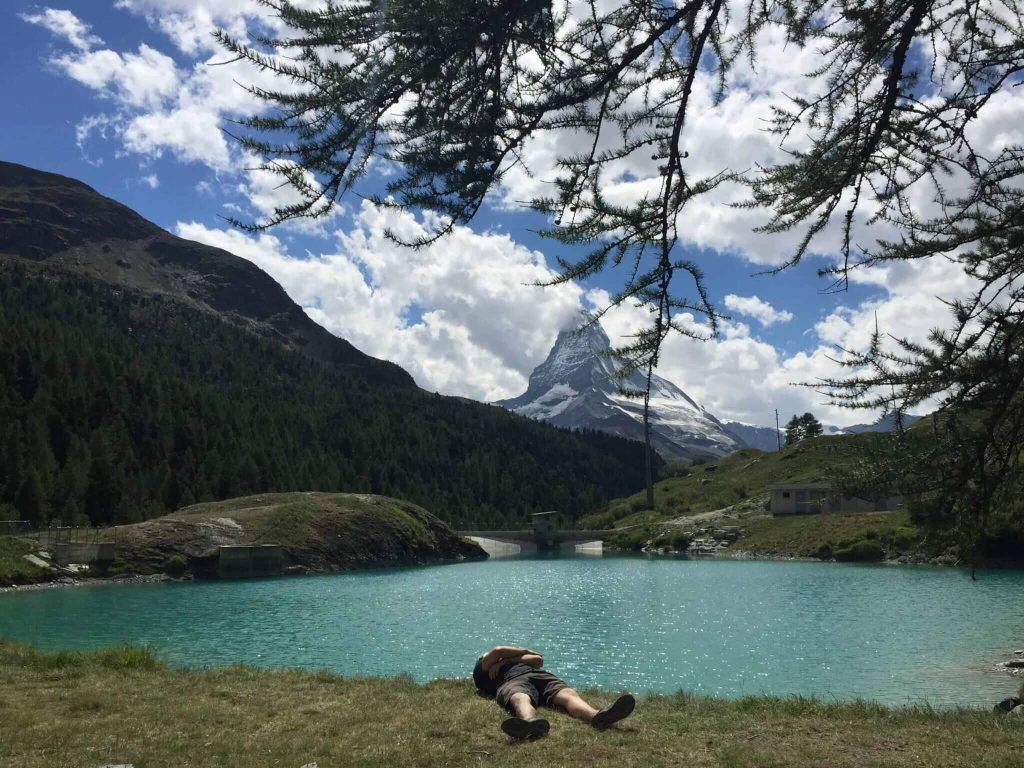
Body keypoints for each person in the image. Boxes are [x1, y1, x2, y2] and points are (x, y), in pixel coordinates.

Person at [472, 645, 635, 740]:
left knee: (567, 694)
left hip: (539, 676)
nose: (497, 660)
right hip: (512, 682)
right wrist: (515, 655)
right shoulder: (481, 673)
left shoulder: (505, 662)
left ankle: (597, 716)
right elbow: (498, 651)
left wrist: (508, 661)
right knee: (519, 697)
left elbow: (538, 660)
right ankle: (530, 722)